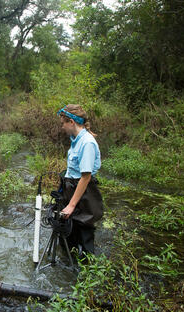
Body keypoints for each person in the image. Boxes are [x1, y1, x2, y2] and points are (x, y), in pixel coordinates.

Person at [57, 104, 104, 256]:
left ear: (71, 122)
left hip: (84, 195)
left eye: (63, 123)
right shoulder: (76, 139)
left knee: (84, 233)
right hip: (72, 189)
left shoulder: (87, 143)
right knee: (69, 232)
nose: (62, 127)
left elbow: (86, 177)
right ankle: (68, 268)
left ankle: (87, 273)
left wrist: (71, 205)